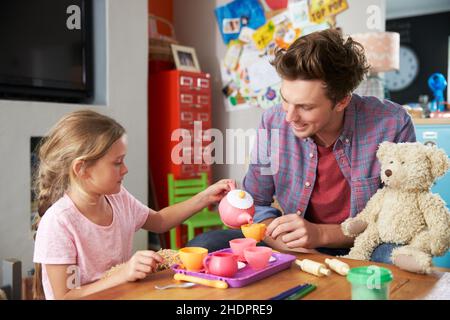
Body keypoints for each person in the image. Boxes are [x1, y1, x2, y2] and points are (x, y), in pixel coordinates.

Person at [187, 29, 416, 263]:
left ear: (342, 101)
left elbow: (401, 213)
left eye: (305, 107)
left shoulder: (392, 123)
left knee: (395, 257)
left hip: (365, 243)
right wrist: (289, 246)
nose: (289, 117)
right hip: (294, 243)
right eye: (285, 100)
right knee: (204, 246)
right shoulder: (273, 121)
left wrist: (320, 234)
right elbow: (257, 202)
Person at [33, 110, 232, 300]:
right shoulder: (59, 222)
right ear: (82, 168)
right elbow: (66, 296)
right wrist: (123, 273)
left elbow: (160, 221)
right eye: (117, 162)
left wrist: (205, 197)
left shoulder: (119, 199)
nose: (125, 169)